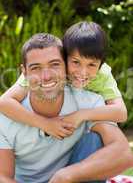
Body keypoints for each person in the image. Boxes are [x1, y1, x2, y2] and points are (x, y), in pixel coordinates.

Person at [0, 33, 132, 183]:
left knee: (94, 140)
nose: (46, 76)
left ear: (66, 66)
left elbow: (123, 155)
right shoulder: (7, 114)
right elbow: (3, 176)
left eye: (55, 64)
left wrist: (65, 176)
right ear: (24, 72)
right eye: (36, 68)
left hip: (70, 179)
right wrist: (46, 124)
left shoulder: (88, 102)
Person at [0, 22, 127, 139]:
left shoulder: (103, 74)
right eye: (76, 62)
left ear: (100, 64)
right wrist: (45, 124)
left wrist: (81, 115)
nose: (82, 72)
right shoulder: (48, 71)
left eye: (91, 65)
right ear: (64, 58)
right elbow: (4, 102)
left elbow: (121, 113)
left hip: (87, 128)